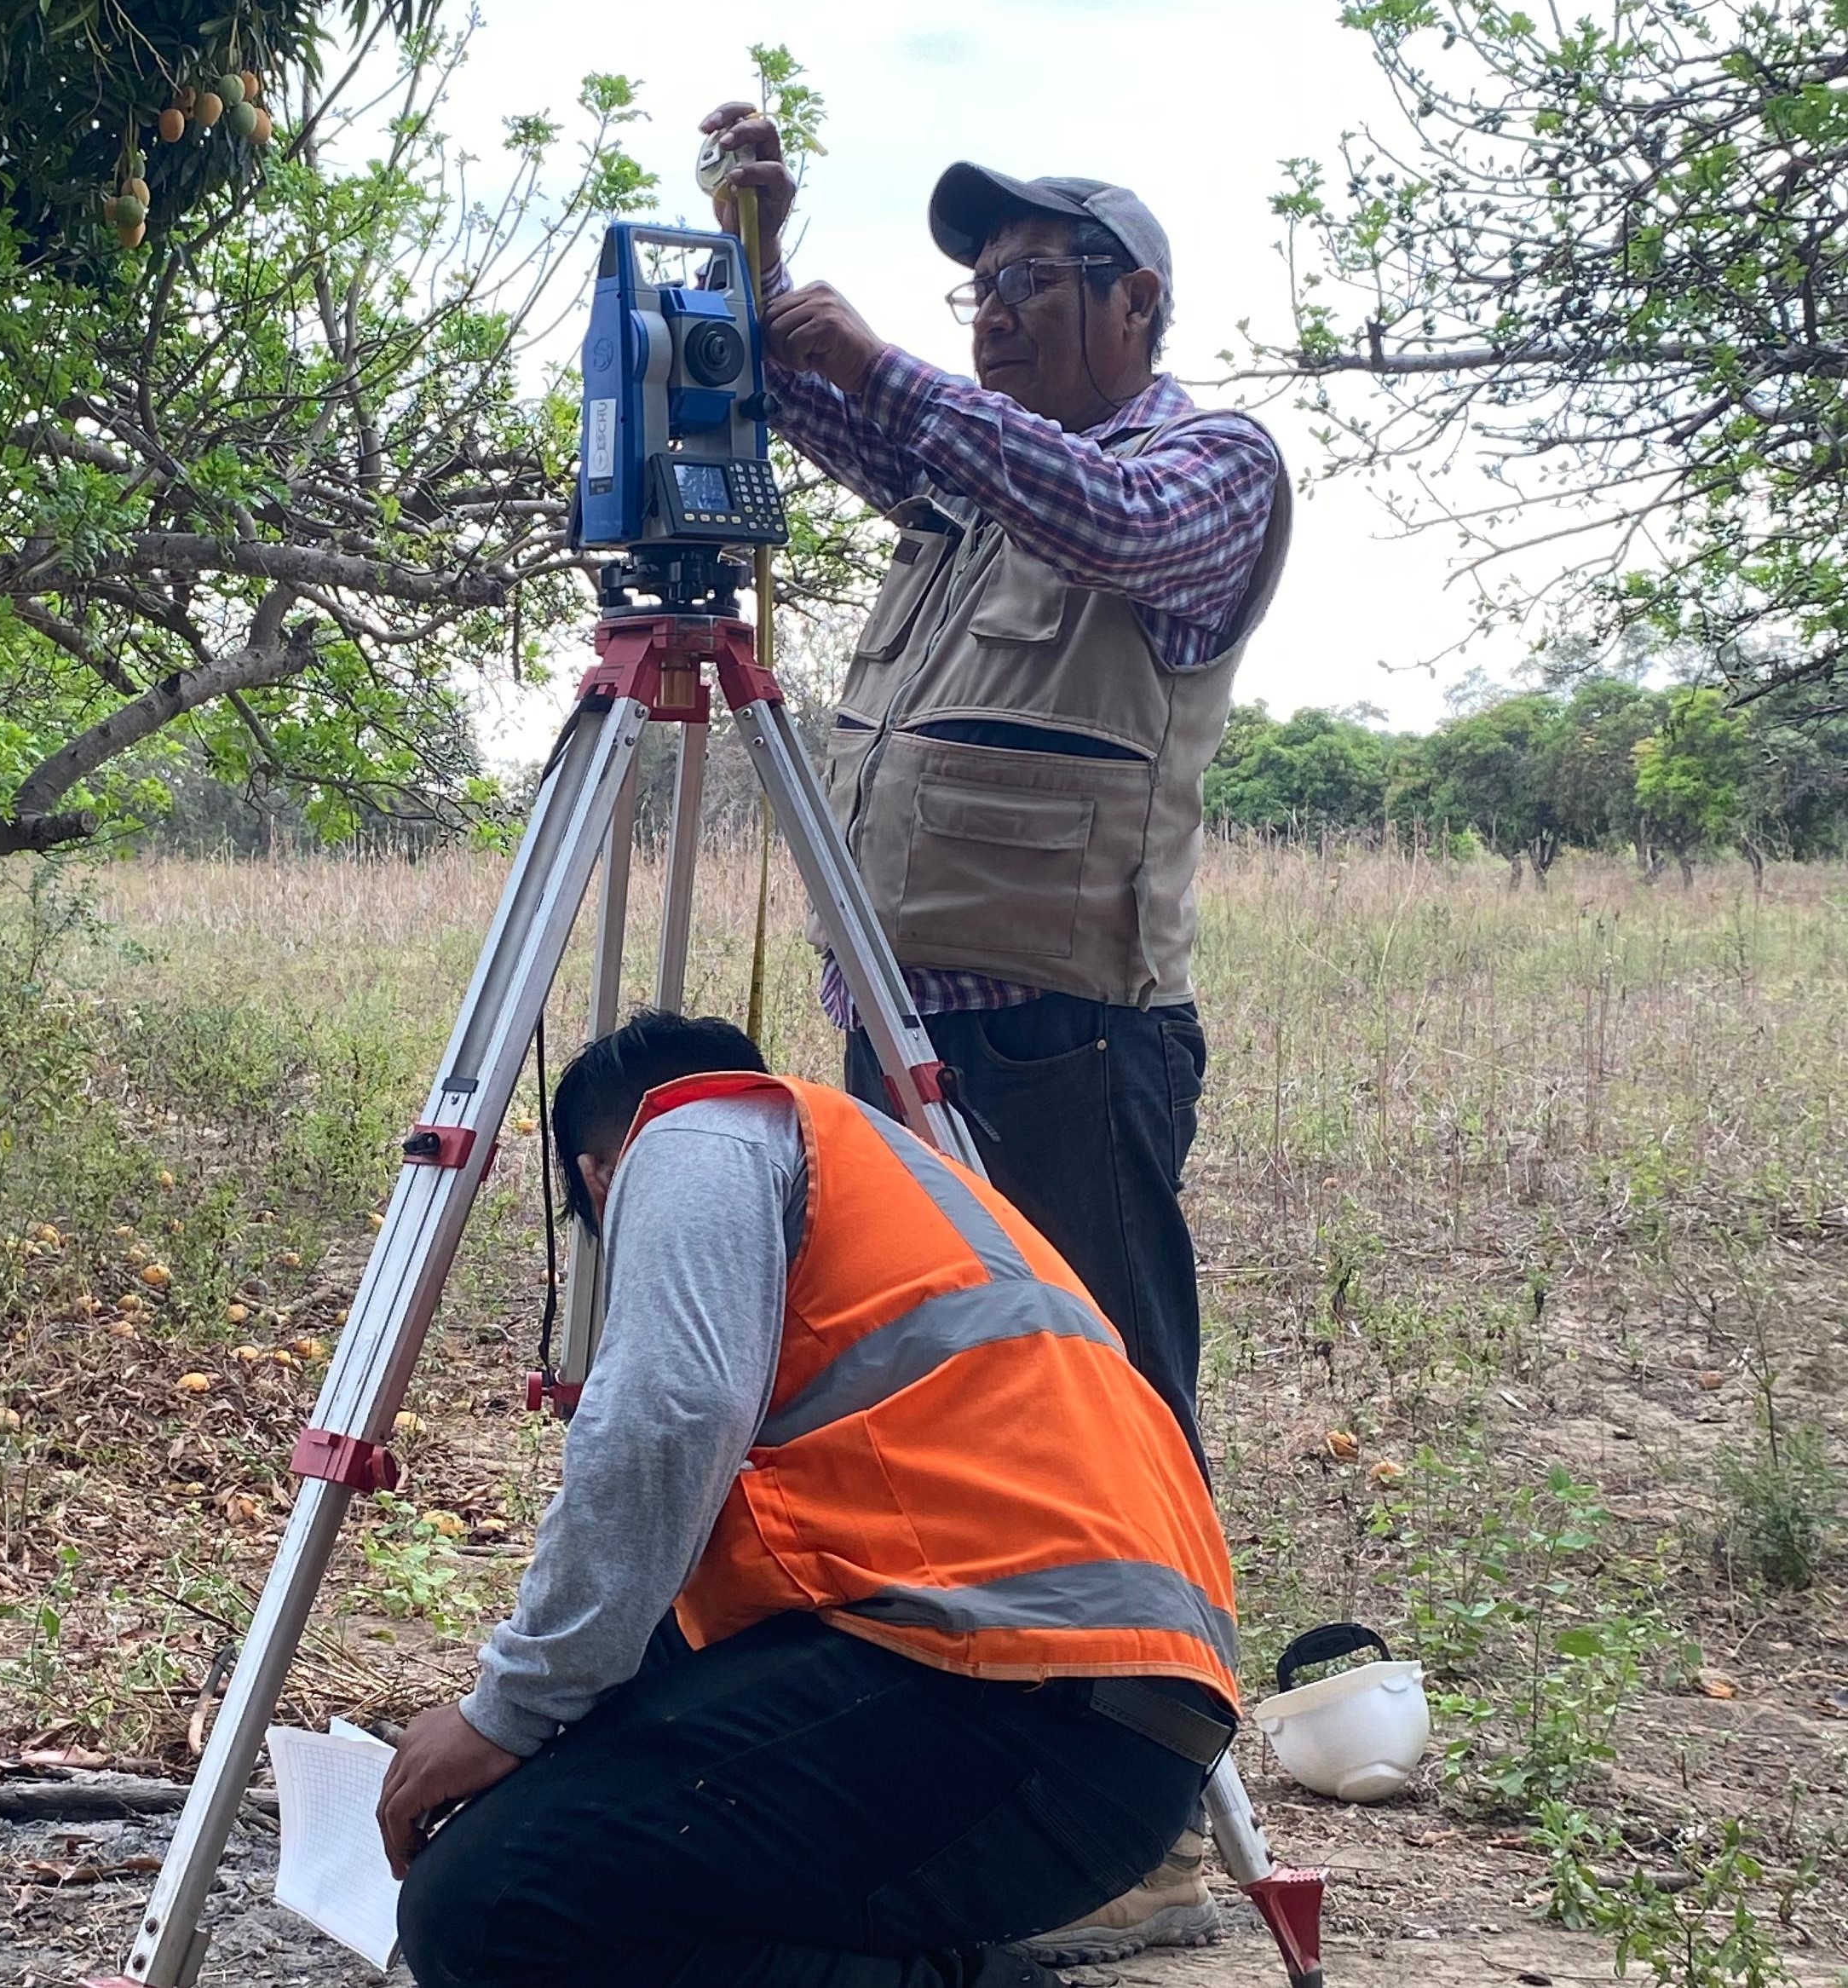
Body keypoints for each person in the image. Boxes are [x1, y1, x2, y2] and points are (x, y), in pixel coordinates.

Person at [690, 114, 1289, 1965]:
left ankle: (1157, 1805)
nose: (994, 319)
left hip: (1065, 1038)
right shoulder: (974, 482)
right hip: (907, 1029)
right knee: (946, 1416)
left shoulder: (1209, 470)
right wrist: (761, 268)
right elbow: (855, 412)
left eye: (1031, 285)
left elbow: (1079, 501)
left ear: (1139, 303)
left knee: (1104, 1412)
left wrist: (887, 360)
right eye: (979, 293)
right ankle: (970, 1742)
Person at [381, 1011, 1241, 1988]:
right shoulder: (895, 1184)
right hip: (1114, 1727)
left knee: (491, 1906)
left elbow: (668, 1411)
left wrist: (507, 1710)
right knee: (583, 1776)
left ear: (598, 1177)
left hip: (1025, 1706)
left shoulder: (692, 1133)